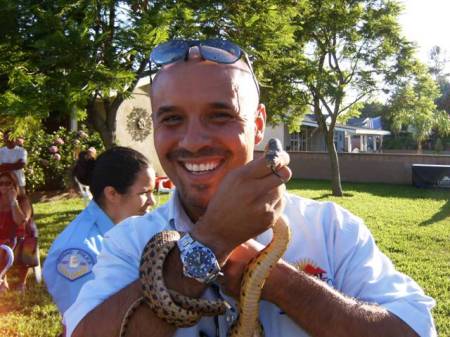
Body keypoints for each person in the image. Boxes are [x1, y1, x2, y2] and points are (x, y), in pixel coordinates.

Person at [65, 40, 436, 337]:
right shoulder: (131, 241)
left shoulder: (333, 230)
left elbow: (416, 329)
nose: (193, 141)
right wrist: (211, 242)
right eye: (172, 118)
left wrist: (272, 278)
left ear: (258, 126)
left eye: (220, 115)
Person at [43, 146, 156, 315]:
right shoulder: (78, 251)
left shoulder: (126, 229)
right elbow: (86, 321)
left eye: (152, 192)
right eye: (145, 192)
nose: (151, 201)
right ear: (112, 194)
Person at [0, 171, 33, 292]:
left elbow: (21, 221)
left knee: (26, 245)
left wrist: (13, 202)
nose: (3, 186)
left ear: (14, 185)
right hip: (2, 235)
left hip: (19, 235)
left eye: (7, 183)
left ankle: (21, 282)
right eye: (1, 183)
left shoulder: (23, 200)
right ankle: (3, 280)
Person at [0, 130, 28, 195]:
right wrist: (15, 164)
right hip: (4, 184)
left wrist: (5, 165)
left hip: (19, 182)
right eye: (6, 137)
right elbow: (0, 168)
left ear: (15, 138)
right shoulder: (0, 151)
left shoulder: (22, 151)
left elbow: (21, 165)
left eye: (11, 137)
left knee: (22, 202)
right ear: (4, 139)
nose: (9, 140)